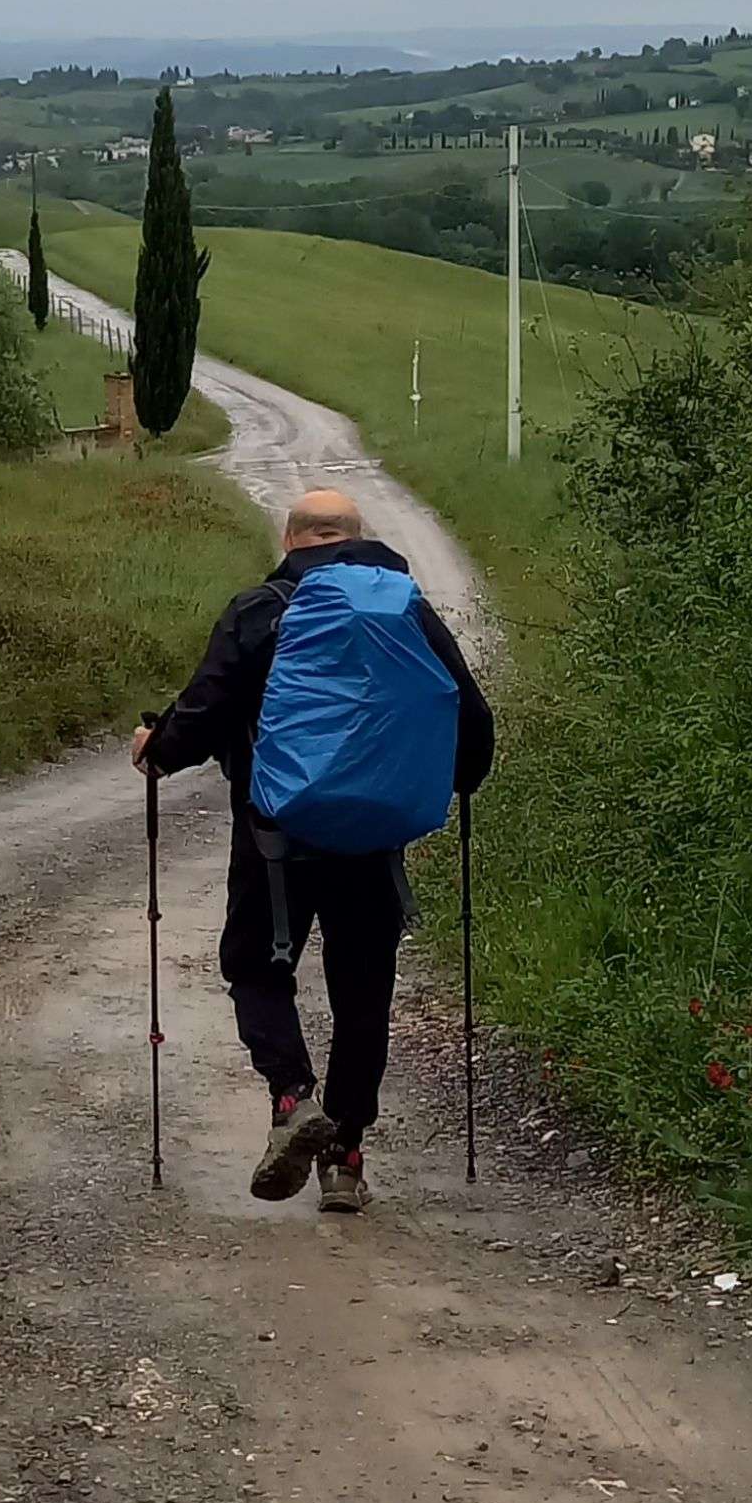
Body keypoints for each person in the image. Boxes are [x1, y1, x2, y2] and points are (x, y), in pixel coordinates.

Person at [132, 486, 493, 1212]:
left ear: (290, 541)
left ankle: (294, 1097)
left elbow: (205, 709)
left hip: (274, 839)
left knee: (254, 967)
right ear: (359, 538)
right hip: (375, 839)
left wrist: (156, 749)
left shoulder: (261, 610)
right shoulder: (407, 610)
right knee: (362, 992)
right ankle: (346, 1160)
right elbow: (470, 719)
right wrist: (458, 779)